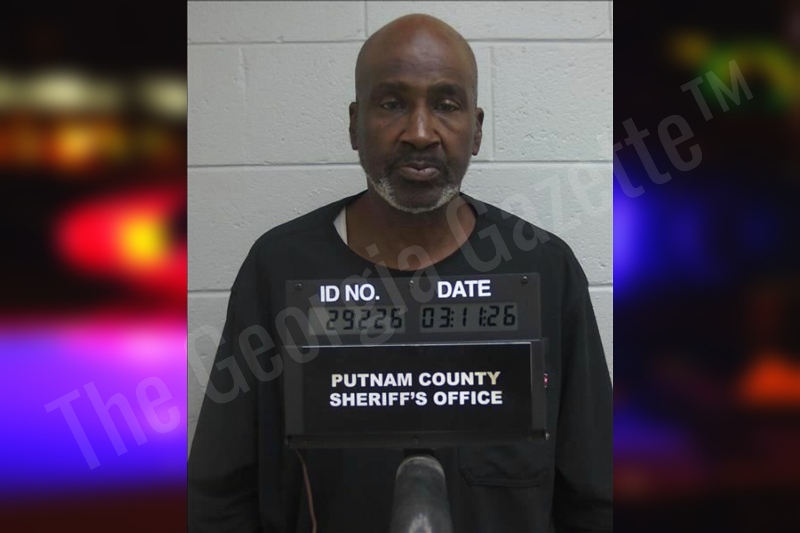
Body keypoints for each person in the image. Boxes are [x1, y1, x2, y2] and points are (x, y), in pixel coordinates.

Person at [188, 14, 612, 533]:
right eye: (391, 104)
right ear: (354, 124)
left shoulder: (543, 268)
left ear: (477, 129)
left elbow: (594, 494)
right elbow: (220, 495)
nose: (419, 133)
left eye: (446, 105)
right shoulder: (279, 268)